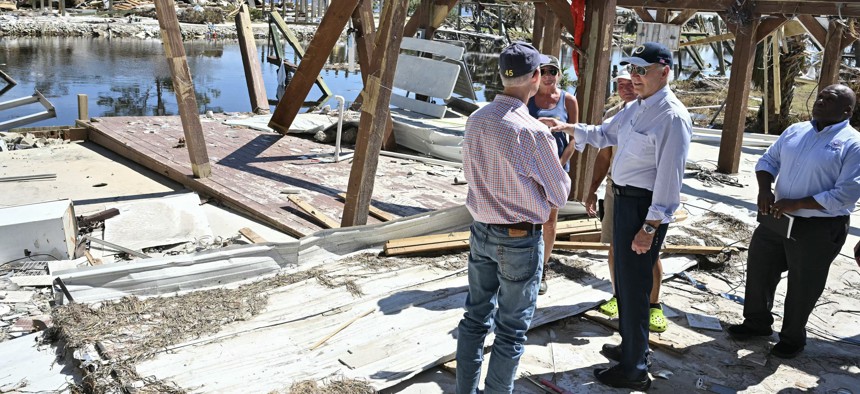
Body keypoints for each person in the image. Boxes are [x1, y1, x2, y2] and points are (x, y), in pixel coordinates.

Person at [541, 42, 691, 391]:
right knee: (624, 282)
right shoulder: (636, 107)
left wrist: (650, 227)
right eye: (632, 70)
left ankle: (635, 368)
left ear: (664, 71)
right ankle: (630, 346)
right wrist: (565, 128)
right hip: (623, 201)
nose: (635, 77)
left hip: (643, 208)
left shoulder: (671, 116)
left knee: (637, 287)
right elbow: (603, 133)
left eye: (642, 70)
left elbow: (669, 181)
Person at [455, 42, 571, 394]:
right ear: (536, 77)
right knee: (510, 329)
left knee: (475, 319)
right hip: (520, 238)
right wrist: (563, 153)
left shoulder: (476, 118)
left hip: (482, 230)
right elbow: (560, 195)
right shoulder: (534, 132)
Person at [728, 84, 860, 359]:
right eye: (821, 96)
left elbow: (846, 193)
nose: (820, 101)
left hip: (818, 227)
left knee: (803, 284)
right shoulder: (796, 130)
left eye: (829, 99)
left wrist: (799, 203)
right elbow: (768, 161)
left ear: (847, 110)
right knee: (760, 270)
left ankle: (792, 338)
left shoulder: (853, 144)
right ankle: (756, 323)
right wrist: (765, 189)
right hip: (776, 219)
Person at [587, 69, 669, 333]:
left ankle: (654, 305)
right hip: (616, 190)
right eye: (620, 84)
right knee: (615, 248)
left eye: (629, 84)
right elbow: (603, 156)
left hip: (645, 195)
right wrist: (592, 190)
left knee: (650, 253)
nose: (625, 89)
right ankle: (618, 296)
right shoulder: (618, 116)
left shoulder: (660, 116)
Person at [527, 55, 579, 295]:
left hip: (557, 168)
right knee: (526, 219)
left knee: (549, 221)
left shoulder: (568, 100)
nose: (548, 75)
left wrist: (558, 166)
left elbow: (573, 138)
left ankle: (543, 268)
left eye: (553, 71)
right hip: (530, 169)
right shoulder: (528, 98)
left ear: (559, 74)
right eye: (544, 71)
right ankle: (522, 265)